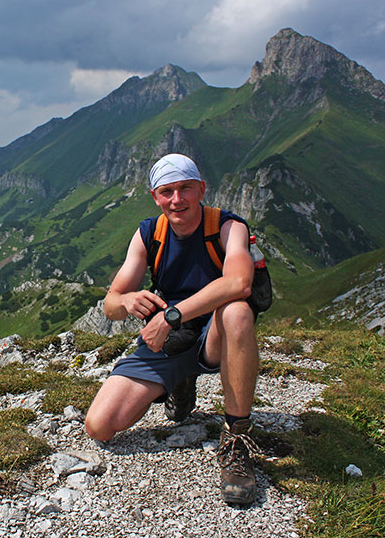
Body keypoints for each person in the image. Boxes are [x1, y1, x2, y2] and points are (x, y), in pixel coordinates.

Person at [84, 153, 261, 505]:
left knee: (238, 312)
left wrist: (170, 316)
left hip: (212, 333)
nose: (177, 200)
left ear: (201, 189)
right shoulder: (150, 233)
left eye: (185, 189)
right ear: (155, 196)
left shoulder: (227, 227)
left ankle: (237, 439)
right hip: (173, 339)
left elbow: (240, 282)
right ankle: (180, 380)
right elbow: (111, 303)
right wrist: (128, 301)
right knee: (100, 426)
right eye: (167, 192)